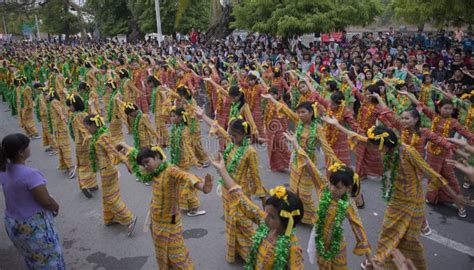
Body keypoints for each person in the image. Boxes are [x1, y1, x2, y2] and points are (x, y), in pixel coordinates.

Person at [322, 119, 470, 270]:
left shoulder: (408, 152)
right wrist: (336, 124)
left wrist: (455, 196)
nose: (375, 149)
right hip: (397, 200)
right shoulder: (384, 146)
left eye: (376, 147)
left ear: (384, 145)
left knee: (410, 238)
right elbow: (358, 138)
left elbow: (433, 175)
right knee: (388, 230)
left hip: (413, 201)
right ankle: (379, 260)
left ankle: (413, 265)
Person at [283, 131, 372, 269]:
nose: (332, 189)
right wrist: (295, 143)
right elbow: (308, 163)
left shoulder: (348, 205)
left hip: (336, 244)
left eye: (337, 187)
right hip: (320, 241)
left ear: (348, 189)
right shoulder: (323, 187)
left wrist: (369, 257)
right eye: (331, 184)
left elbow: (358, 228)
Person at [209, 153, 304, 269]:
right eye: (267, 213)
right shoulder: (265, 225)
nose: (265, 217)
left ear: (287, 221)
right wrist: (222, 170)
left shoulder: (292, 248)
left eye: (272, 217)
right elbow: (240, 197)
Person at [125, 145, 213, 269]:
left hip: (171, 221)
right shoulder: (153, 172)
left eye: (147, 162)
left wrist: (203, 186)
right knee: (162, 253)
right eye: (143, 164)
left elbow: (186, 176)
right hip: (156, 221)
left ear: (156, 157)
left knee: (177, 255)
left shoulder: (170, 170)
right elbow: (135, 160)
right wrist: (123, 145)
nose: (146, 167)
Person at [0, 133, 65, 269]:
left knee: (32, 258)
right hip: (33, 226)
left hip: (13, 222)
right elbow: (45, 201)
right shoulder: (30, 174)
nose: (30, 148)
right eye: (28, 146)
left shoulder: (4, 170)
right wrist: (56, 206)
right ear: (21, 152)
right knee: (49, 258)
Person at [83, 114, 138, 236]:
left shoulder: (102, 138)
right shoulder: (97, 135)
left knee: (110, 198)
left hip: (108, 170)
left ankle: (130, 218)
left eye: (87, 127)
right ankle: (110, 218)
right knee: (109, 195)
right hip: (105, 170)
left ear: (93, 125)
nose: (86, 130)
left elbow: (114, 151)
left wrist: (126, 162)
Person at [66, 94, 99, 198]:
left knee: (86, 163)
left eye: (70, 105)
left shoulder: (74, 115)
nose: (69, 108)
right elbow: (84, 129)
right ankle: (86, 184)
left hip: (79, 143)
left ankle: (90, 184)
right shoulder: (80, 115)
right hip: (85, 143)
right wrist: (91, 138)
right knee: (86, 164)